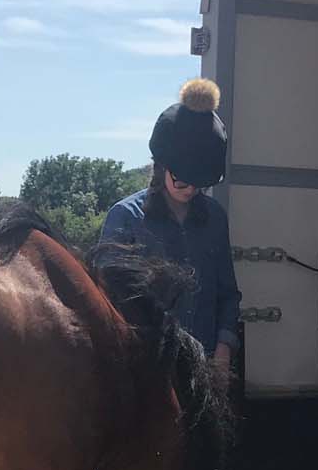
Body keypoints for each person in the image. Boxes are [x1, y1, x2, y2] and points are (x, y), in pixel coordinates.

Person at [98, 78, 242, 378]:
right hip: (149, 373)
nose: (190, 189)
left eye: (199, 182)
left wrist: (225, 348)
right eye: (182, 180)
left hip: (206, 369)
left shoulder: (215, 218)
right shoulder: (125, 218)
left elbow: (227, 293)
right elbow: (108, 305)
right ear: (161, 167)